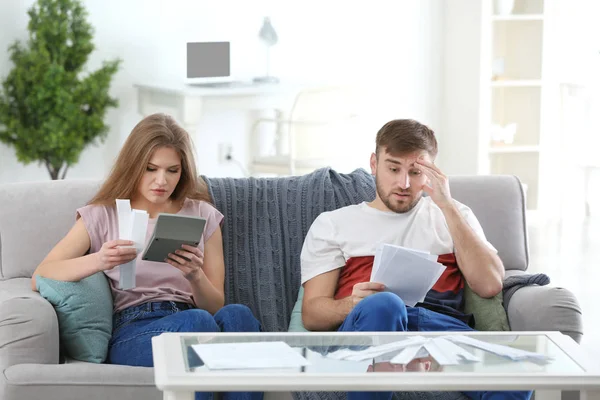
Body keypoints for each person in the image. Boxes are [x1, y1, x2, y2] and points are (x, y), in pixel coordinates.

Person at [31, 113, 262, 400]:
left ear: (183, 171)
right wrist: (100, 260)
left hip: (194, 315)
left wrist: (195, 276)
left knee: (239, 316)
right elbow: (41, 273)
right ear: (134, 165)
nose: (161, 181)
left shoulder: (203, 215)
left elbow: (216, 306)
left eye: (172, 171)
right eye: (150, 169)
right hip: (134, 328)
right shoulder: (104, 214)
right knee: (196, 325)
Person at [300, 119, 531, 400]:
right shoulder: (333, 224)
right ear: (374, 164)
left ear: (432, 173)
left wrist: (447, 206)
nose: (404, 183)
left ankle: (409, 364)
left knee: (520, 375)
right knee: (385, 304)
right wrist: (352, 304)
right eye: (393, 168)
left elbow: (490, 285)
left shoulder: (454, 214)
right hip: (369, 328)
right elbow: (312, 315)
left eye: (416, 171)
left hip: (440, 335)